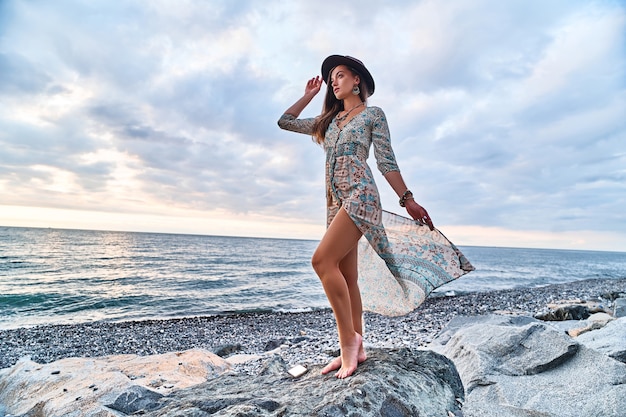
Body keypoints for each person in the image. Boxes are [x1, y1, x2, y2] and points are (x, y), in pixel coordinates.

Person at [278, 55, 473, 379]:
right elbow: (285, 121)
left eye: (340, 75)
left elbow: (387, 163)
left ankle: (347, 343)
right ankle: (360, 345)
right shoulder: (329, 121)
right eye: (331, 79)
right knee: (346, 274)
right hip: (334, 204)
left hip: (361, 197)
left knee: (322, 262)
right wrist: (309, 94)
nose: (334, 82)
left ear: (357, 80)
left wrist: (407, 199)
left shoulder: (373, 115)